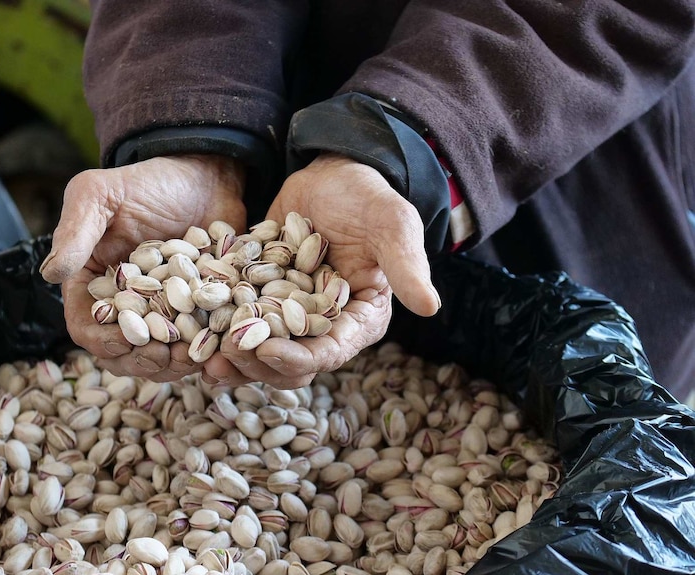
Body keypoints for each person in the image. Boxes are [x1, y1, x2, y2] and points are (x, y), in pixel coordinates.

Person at [40, 1, 695, 402]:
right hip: (280, 141)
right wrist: (192, 124)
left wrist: (406, 144)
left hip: (549, 126)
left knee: (567, 417)